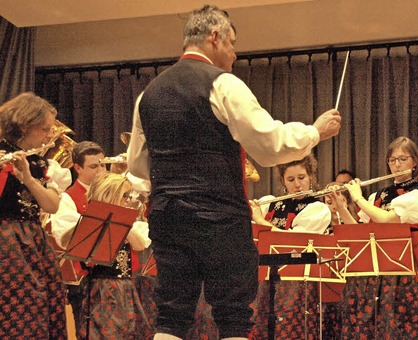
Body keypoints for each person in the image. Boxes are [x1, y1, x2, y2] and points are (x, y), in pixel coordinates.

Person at [126, 5, 341, 340]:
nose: (235, 53)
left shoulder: (147, 95)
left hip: (167, 217)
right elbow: (269, 145)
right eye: (232, 43)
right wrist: (314, 132)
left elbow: (138, 167)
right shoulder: (223, 84)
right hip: (220, 218)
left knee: (171, 315)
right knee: (233, 316)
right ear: (214, 37)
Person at [339, 136, 418, 340]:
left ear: (415, 161)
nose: (396, 165)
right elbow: (358, 231)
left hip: (406, 274)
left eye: (403, 159)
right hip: (375, 273)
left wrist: (357, 198)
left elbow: (386, 220)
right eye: (392, 160)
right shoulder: (378, 195)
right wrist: (341, 206)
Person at [0, 92, 71, 338]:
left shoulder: (39, 163)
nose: (49, 135)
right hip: (6, 238)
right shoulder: (1, 153)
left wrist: (28, 179)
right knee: (17, 302)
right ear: (23, 125)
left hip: (33, 237)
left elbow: (51, 206)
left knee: (44, 300)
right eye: (44, 129)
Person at [52, 171, 152, 338]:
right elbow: (67, 240)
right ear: (110, 195)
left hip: (124, 286)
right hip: (100, 287)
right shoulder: (91, 222)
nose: (129, 200)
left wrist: (120, 217)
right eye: (124, 196)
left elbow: (139, 244)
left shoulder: (126, 223)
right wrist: (100, 215)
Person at [249, 154, 332, 339]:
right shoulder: (271, 202)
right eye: (291, 179)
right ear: (283, 181)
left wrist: (261, 221)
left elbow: (295, 241)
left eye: (301, 178)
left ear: (311, 176)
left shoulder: (317, 209)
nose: (297, 185)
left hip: (296, 281)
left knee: (289, 331)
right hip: (264, 277)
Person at [49, 140, 106, 338]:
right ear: (77, 168)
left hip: (115, 281)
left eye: (103, 164)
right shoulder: (68, 198)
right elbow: (64, 236)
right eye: (93, 166)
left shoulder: (117, 192)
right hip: (84, 281)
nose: (100, 171)